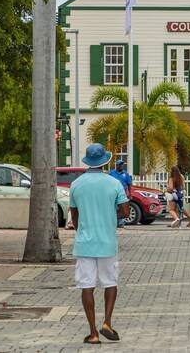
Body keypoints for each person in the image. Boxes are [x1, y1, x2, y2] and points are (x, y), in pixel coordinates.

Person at [69, 143, 129, 345]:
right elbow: (126, 212)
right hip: (107, 241)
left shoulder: (76, 184)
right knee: (110, 282)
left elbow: (74, 215)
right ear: (105, 161)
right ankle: (107, 322)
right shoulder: (114, 184)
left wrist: (83, 228)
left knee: (87, 286)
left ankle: (93, 333)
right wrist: (110, 216)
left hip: (85, 243)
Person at [108, 159, 133, 227]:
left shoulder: (126, 174)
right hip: (113, 194)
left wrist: (130, 194)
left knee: (122, 208)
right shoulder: (111, 173)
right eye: (119, 165)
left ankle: (121, 223)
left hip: (122, 194)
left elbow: (129, 184)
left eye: (122, 164)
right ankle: (115, 223)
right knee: (114, 208)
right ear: (116, 165)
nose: (121, 166)